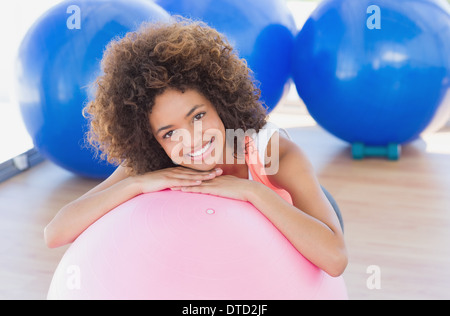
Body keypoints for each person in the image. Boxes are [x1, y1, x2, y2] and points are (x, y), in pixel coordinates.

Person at [44, 18, 347, 277]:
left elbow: (335, 259)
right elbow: (55, 233)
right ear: (152, 139)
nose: (192, 139)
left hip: (308, 217)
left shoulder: (274, 155)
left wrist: (252, 192)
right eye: (169, 132)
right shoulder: (155, 160)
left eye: (198, 116)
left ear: (220, 103)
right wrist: (136, 183)